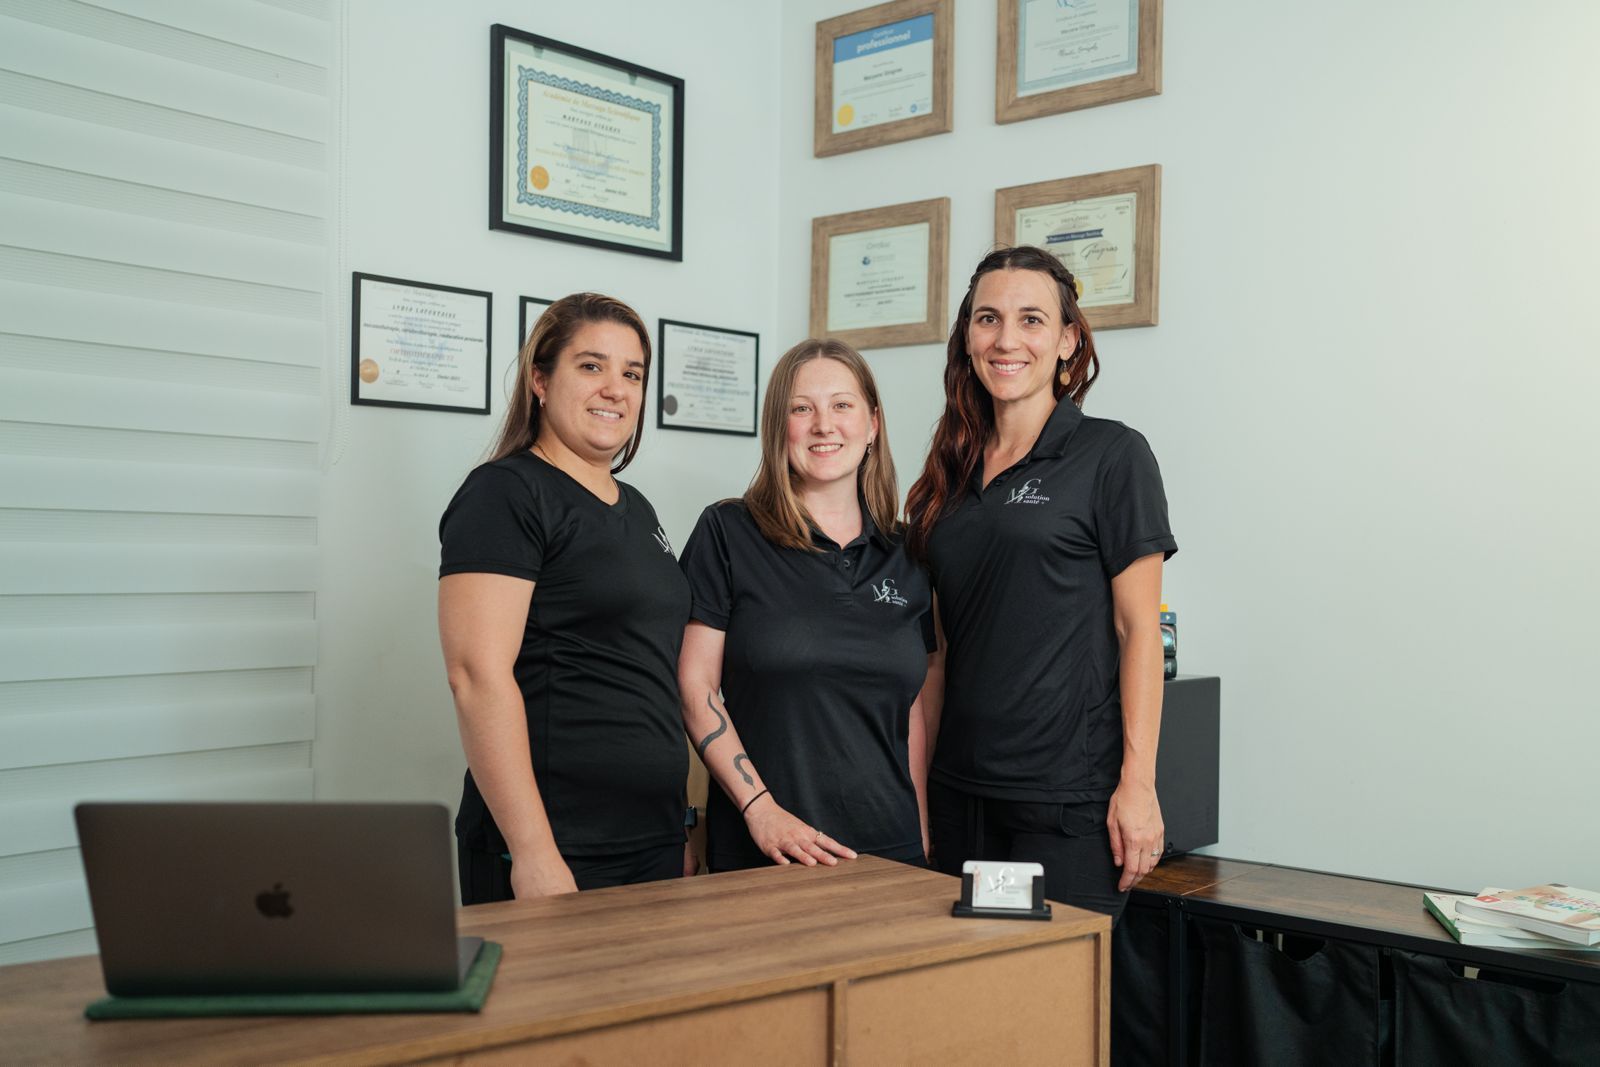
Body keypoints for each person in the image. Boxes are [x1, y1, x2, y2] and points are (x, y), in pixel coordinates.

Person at [904, 246, 1177, 920]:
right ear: (968, 338)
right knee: (959, 1003)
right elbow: (937, 654)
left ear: (1066, 340)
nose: (1006, 339)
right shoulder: (948, 475)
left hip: (1067, 801)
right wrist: (918, 798)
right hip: (960, 794)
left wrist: (1137, 786)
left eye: (1031, 319)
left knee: (1053, 1011)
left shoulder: (1113, 455)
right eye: (988, 318)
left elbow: (1138, 628)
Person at [438, 293, 693, 903]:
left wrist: (677, 825)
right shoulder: (505, 493)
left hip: (648, 837)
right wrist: (532, 852)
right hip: (559, 845)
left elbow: (643, 668)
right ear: (540, 381)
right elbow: (476, 676)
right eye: (591, 366)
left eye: (632, 373)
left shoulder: (638, 509)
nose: (615, 387)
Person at [677, 339, 939, 872]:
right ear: (780, 428)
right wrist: (760, 809)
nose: (824, 424)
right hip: (768, 847)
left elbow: (911, 707)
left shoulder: (910, 552)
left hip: (889, 850)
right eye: (802, 408)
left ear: (872, 425)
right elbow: (694, 685)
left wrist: (922, 827)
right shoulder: (727, 533)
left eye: (842, 405)